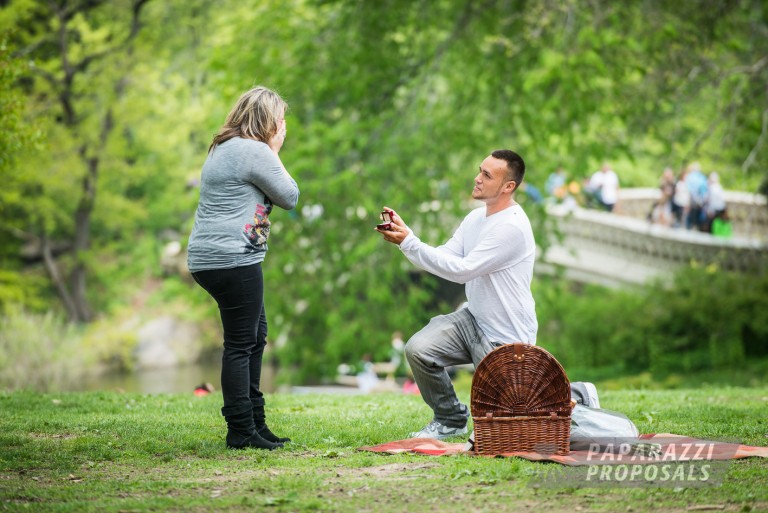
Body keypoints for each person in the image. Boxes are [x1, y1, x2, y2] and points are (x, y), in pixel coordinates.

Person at [376, 149, 539, 439]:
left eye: (487, 175)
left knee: (512, 424)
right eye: (480, 170)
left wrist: (411, 243)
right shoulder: (475, 219)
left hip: (505, 338)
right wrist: (407, 239)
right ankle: (450, 419)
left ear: (508, 186)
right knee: (419, 349)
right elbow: (444, 258)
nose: (477, 178)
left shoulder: (512, 227)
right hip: (472, 319)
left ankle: (580, 395)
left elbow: (463, 270)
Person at [187, 86, 299, 450]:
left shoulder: (222, 147)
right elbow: (290, 197)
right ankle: (240, 430)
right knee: (240, 343)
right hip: (233, 258)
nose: (283, 126)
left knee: (255, 336)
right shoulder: (254, 151)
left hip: (209, 258)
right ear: (268, 120)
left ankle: (255, 424)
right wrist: (275, 150)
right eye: (280, 119)